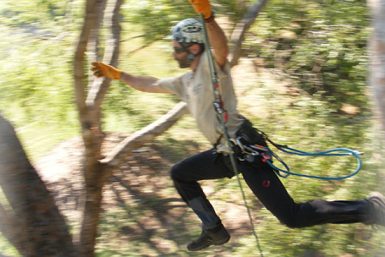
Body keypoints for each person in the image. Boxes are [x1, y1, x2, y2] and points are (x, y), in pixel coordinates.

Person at [91, 0, 385, 251]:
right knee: (180, 173)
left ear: (193, 47)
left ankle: (369, 209)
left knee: (291, 216)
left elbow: (221, 48)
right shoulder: (185, 81)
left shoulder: (210, 64)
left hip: (244, 148)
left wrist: (208, 17)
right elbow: (150, 83)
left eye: (177, 47)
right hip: (225, 153)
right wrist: (118, 75)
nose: (174, 53)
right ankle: (214, 230)